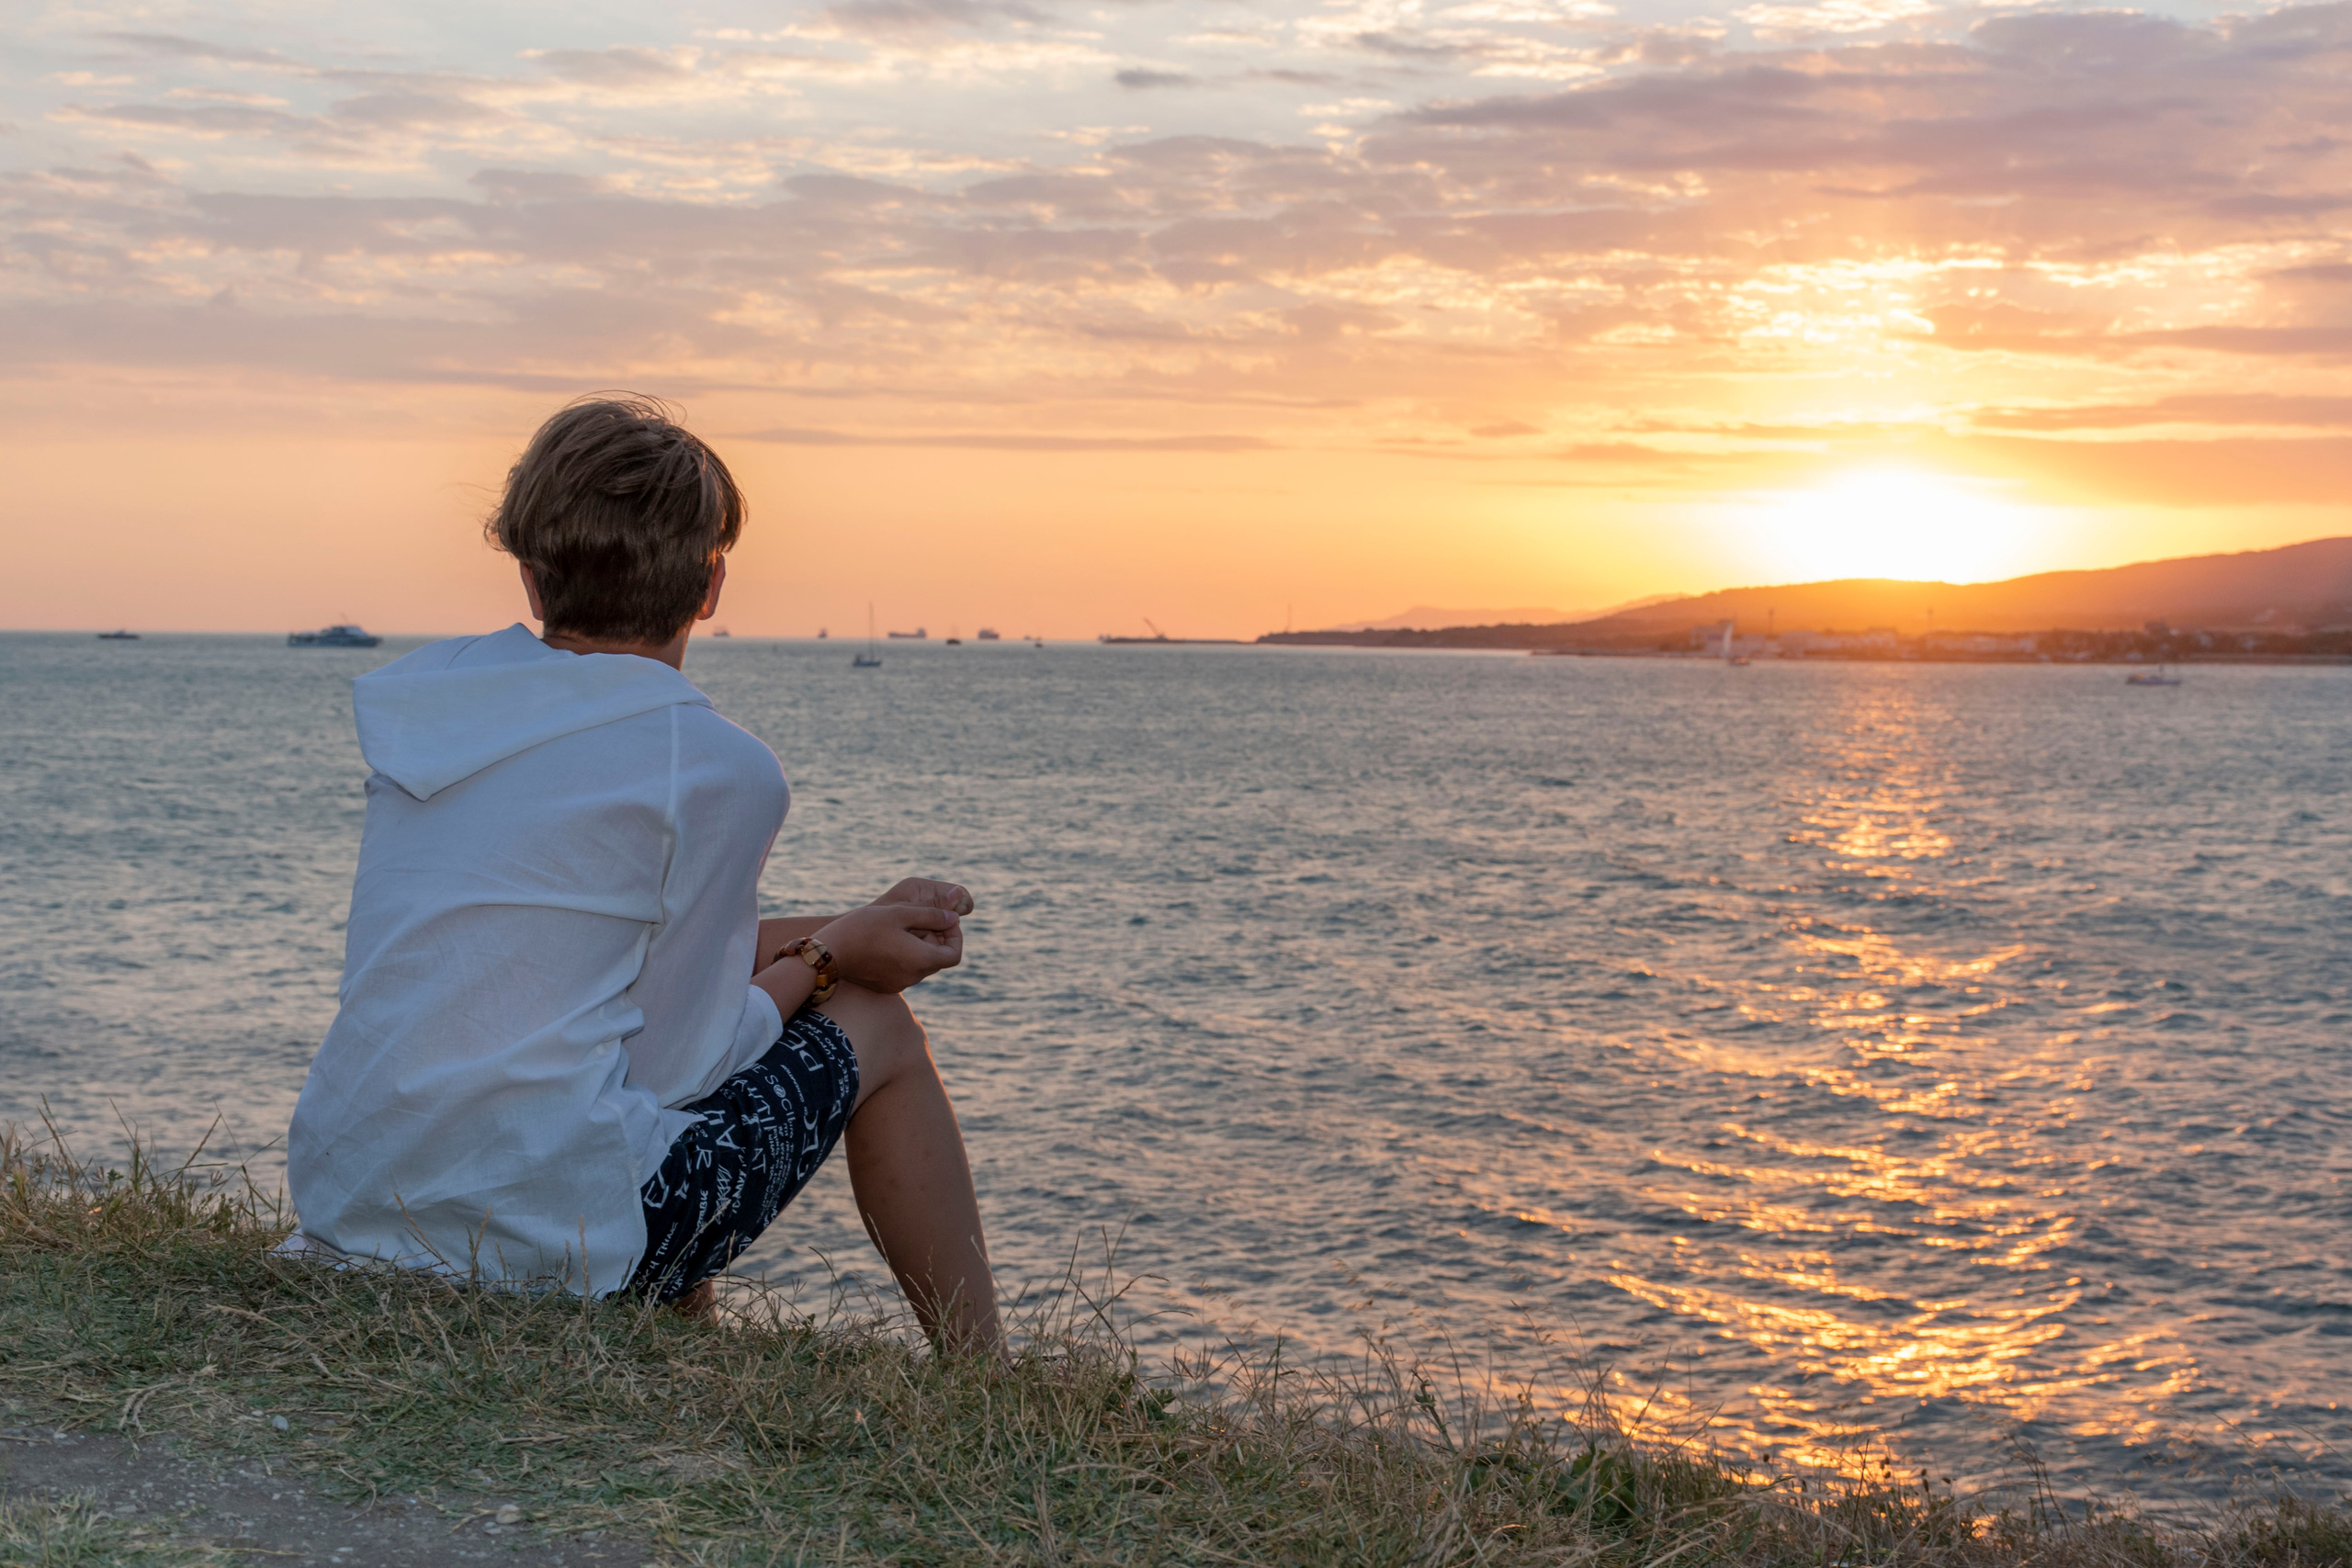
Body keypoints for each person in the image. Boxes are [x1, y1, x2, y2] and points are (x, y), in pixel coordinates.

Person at [284, 395, 999, 1350]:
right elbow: (684, 1062)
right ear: (711, 584)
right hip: (540, 1241)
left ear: (533, 582)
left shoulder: (433, 709)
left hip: (355, 1204)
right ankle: (984, 1372)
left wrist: (848, 927)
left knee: (626, 1087)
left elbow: (585, 959)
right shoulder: (708, 762)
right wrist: (831, 961)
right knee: (876, 1025)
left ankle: (676, 1338)